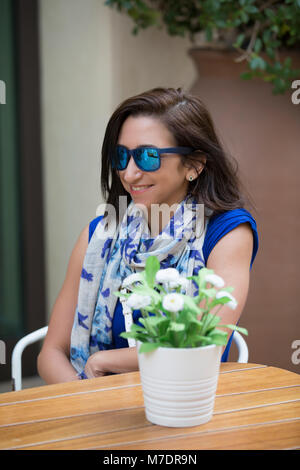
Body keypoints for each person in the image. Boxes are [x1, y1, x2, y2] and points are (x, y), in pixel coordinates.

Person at [37, 87, 258, 384]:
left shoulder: (226, 233)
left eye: (147, 157)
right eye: (121, 156)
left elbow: (204, 342)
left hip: (187, 408)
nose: (128, 174)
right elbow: (51, 352)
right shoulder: (99, 235)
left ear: (194, 165)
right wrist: (88, 400)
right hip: (99, 409)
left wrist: (105, 361)